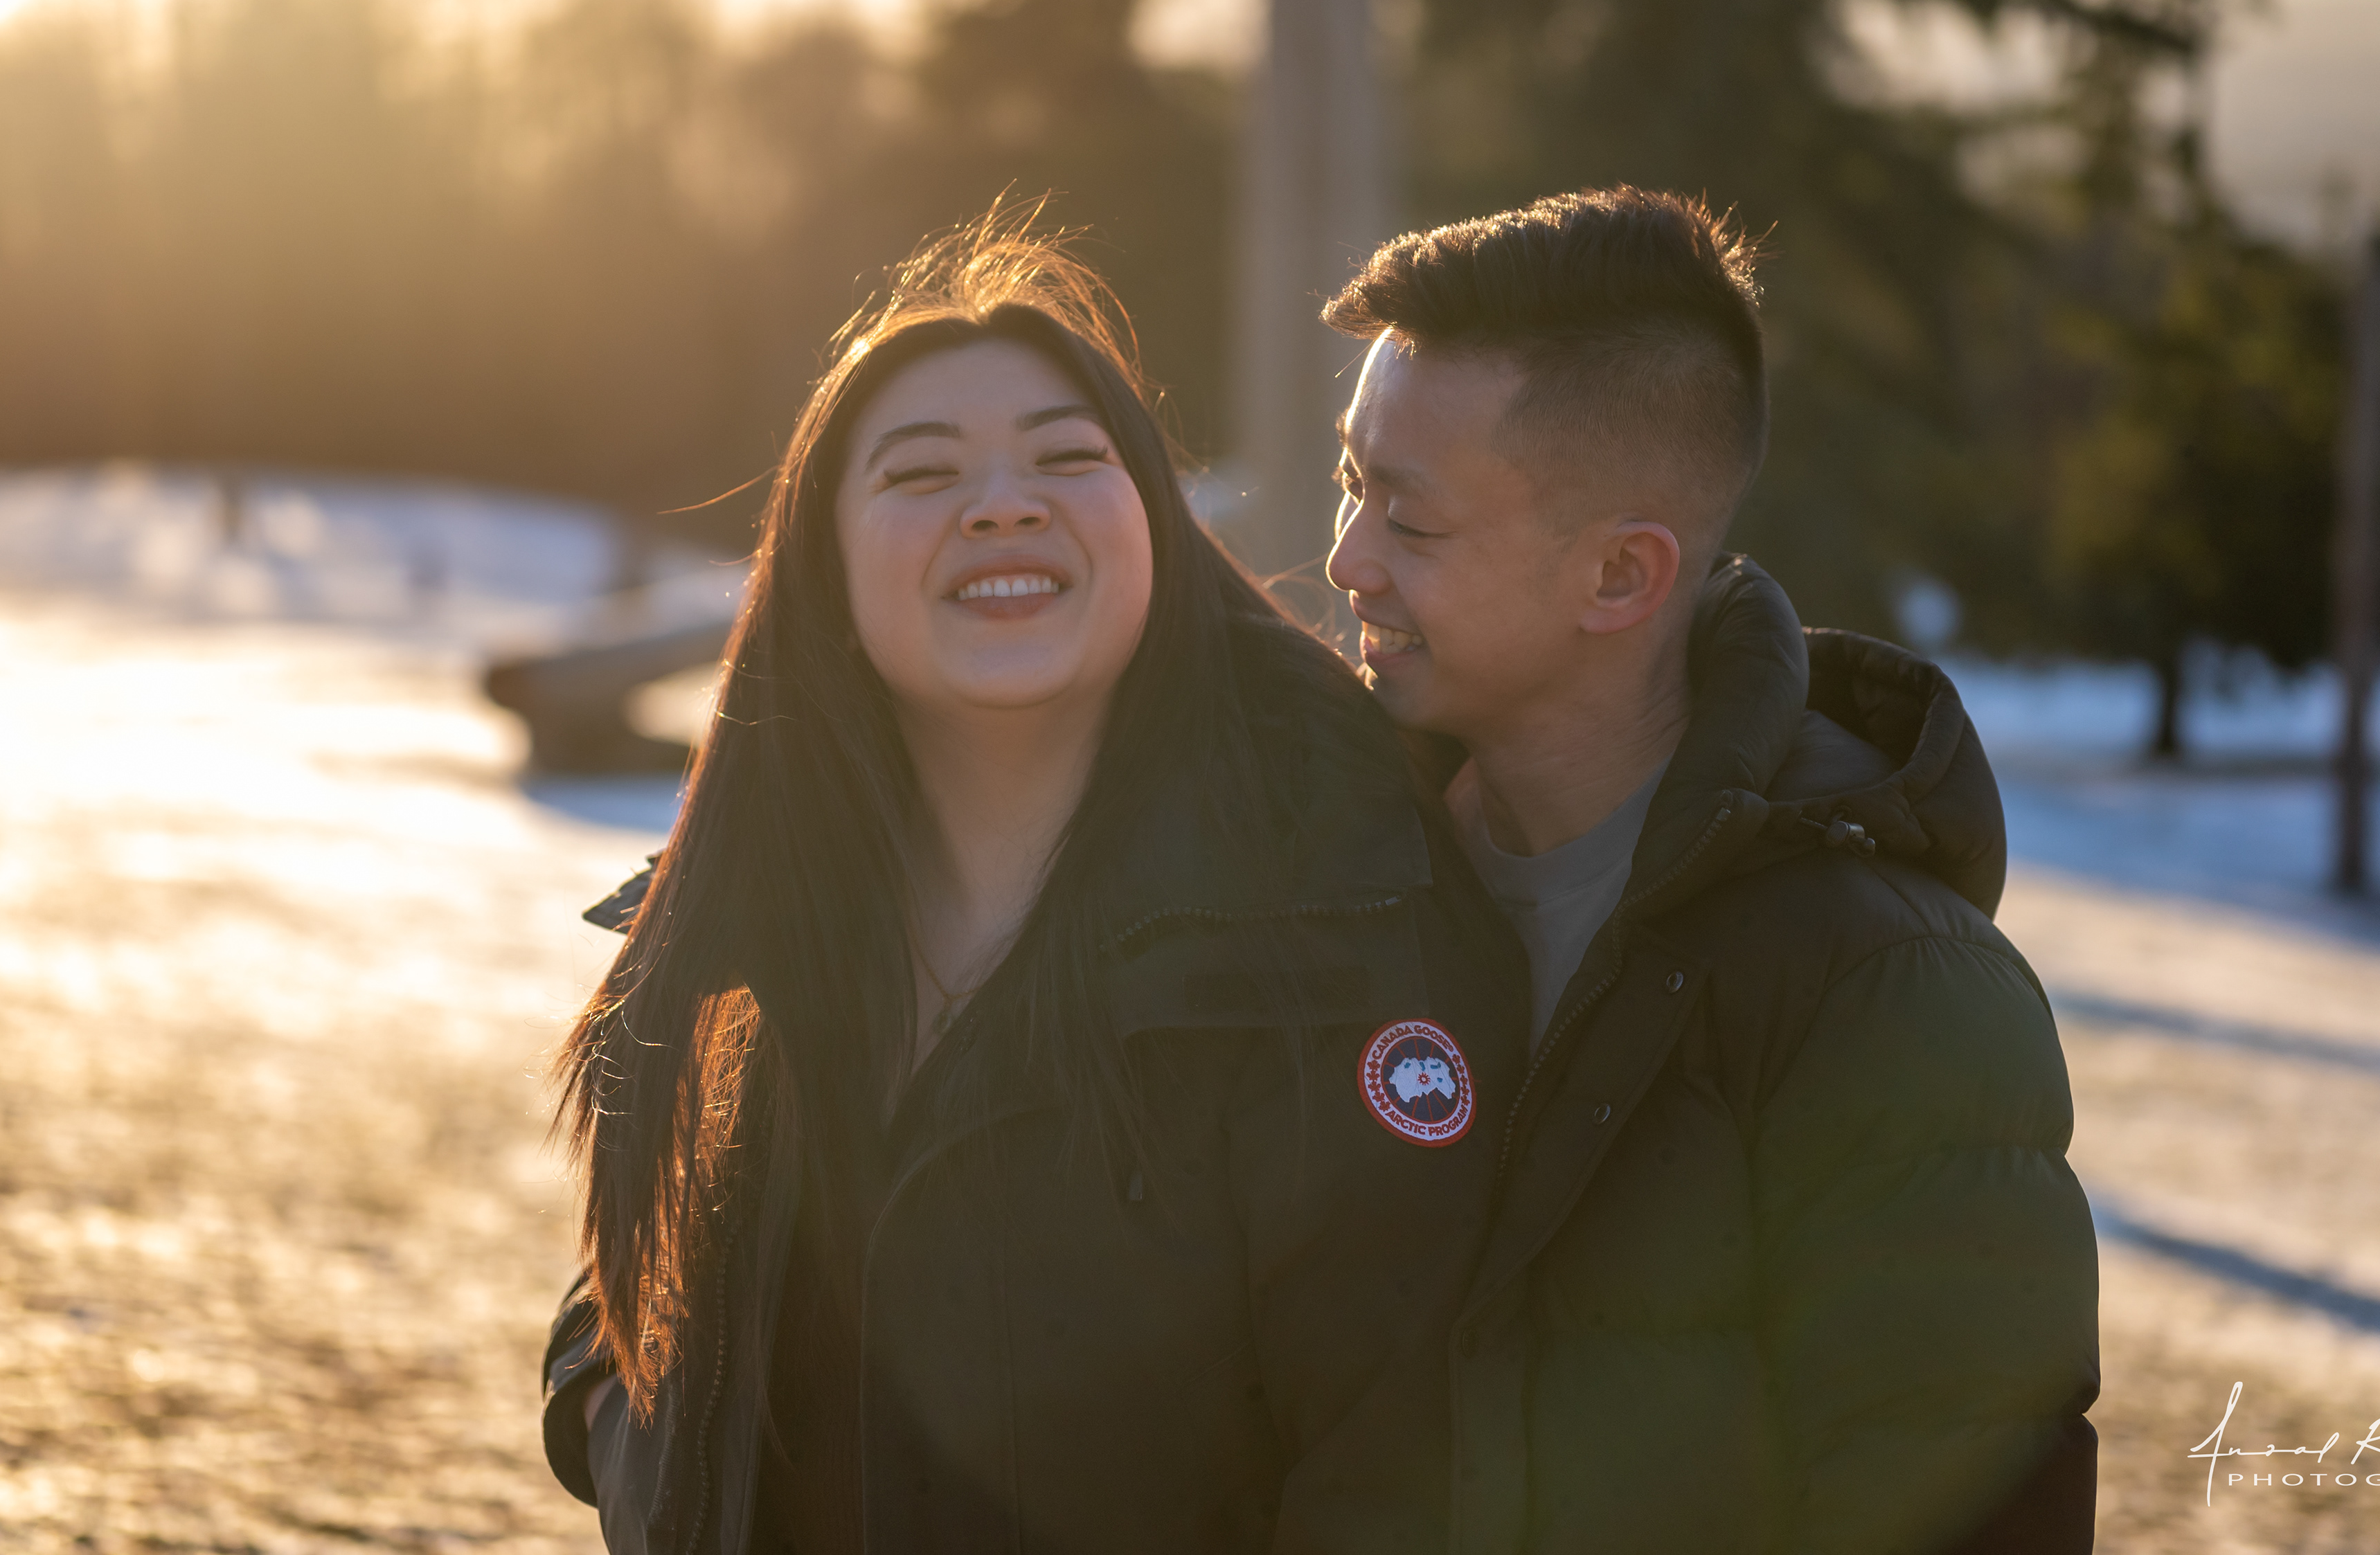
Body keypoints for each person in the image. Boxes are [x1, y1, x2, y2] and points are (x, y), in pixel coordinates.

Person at [538, 215, 1520, 1554]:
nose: (1003, 505)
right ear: (825, 572)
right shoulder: (742, 926)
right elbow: (622, 1284)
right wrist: (619, 1431)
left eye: (1068, 458)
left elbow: (1402, 1472)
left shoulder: (1342, 932)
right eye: (921, 473)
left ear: (1155, 532)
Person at [1319, 188, 2100, 1554]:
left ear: (1621, 575)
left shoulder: (1894, 997)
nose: (1346, 561)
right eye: (1348, 481)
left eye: (1411, 521)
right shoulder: (1323, 888)